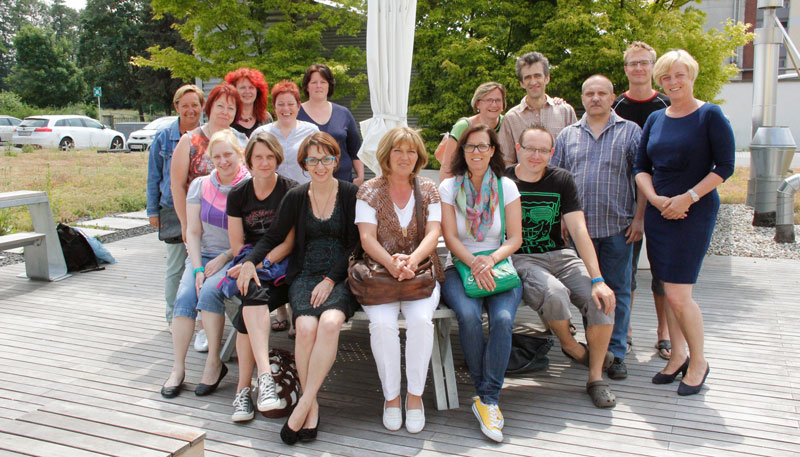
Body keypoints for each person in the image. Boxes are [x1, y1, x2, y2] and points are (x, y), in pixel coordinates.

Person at [237, 132, 359, 444]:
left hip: (339, 277)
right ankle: (312, 404)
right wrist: (250, 261)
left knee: (329, 324)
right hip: (304, 275)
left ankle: (303, 404)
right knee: (304, 328)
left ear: (336, 160)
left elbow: (356, 245)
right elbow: (273, 236)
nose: (320, 166)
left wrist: (331, 280)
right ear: (304, 163)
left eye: (326, 158)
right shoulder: (296, 197)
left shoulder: (350, 194)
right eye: (313, 159)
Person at [634, 50, 734, 396]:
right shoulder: (656, 118)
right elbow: (641, 167)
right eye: (666, 76)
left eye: (679, 75)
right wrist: (656, 199)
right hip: (660, 213)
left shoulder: (710, 115)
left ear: (691, 75)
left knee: (679, 294)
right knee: (666, 288)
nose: (672, 82)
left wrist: (687, 198)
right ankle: (677, 355)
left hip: (693, 213)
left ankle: (699, 361)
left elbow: (725, 167)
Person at [506, 126, 617, 408]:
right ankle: (571, 346)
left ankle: (595, 378)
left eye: (543, 150)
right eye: (530, 148)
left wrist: (598, 279)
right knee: (554, 293)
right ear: (518, 148)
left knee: (601, 299)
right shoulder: (502, 180)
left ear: (552, 153)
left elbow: (578, 229)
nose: (536, 155)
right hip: (522, 257)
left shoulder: (561, 179)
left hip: (561, 254)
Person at [552, 75, 643, 381]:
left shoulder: (630, 131)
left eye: (601, 93)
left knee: (619, 290)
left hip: (619, 226)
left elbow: (641, 178)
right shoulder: (567, 135)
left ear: (612, 97)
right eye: (589, 93)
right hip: (579, 232)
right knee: (587, 292)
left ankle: (616, 352)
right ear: (582, 98)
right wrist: (560, 219)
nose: (595, 98)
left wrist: (640, 218)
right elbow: (557, 180)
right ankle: (595, 349)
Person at [354, 127, 443, 433]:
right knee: (382, 325)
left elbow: (434, 232)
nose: (405, 157)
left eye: (411, 151)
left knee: (420, 322)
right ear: (386, 155)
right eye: (398, 150)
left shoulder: (429, 188)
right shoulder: (369, 191)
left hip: (421, 275)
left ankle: (414, 398)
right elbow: (367, 238)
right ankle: (391, 398)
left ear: (419, 156)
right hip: (380, 275)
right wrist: (392, 264)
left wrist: (412, 261)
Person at [439, 124, 522, 443]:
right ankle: (486, 397)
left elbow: (514, 238)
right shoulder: (449, 187)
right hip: (459, 265)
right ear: (462, 151)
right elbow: (450, 237)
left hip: (499, 264)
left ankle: (487, 399)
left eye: (482, 146)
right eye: (470, 146)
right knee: (469, 316)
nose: (476, 152)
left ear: (492, 150)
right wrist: (474, 262)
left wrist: (490, 259)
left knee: (502, 319)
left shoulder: (506, 186)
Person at [160, 129, 250, 399]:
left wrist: (224, 257)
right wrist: (198, 267)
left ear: (239, 154)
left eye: (228, 155)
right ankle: (178, 368)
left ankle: (214, 362)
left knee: (210, 290)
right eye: (217, 156)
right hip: (203, 255)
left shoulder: (249, 186)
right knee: (185, 295)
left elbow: (249, 235)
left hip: (233, 255)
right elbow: (193, 231)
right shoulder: (200, 185)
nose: (223, 161)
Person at [224, 132, 298, 422]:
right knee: (251, 297)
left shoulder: (290, 191)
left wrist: (261, 263)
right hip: (249, 263)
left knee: (247, 312)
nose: (265, 162)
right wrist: (249, 264)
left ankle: (244, 391)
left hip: (281, 265)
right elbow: (236, 245)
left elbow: (289, 243)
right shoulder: (238, 194)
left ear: (277, 159)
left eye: (270, 157)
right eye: (259, 157)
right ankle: (263, 380)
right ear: (249, 161)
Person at [170, 83, 247, 351]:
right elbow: (177, 184)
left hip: (232, 231)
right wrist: (185, 223)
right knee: (188, 279)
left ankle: (212, 332)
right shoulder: (190, 140)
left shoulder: (242, 140)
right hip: (198, 217)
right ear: (209, 107)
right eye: (220, 106)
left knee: (211, 282)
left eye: (231, 108)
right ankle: (197, 329)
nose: (225, 111)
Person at [612, 41, 672, 360]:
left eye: (644, 62)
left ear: (652, 66)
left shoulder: (667, 104)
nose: (638, 68)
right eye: (633, 63)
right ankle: (627, 330)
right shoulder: (615, 106)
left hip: (664, 202)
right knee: (627, 273)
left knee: (662, 273)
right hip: (627, 205)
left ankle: (664, 334)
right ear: (626, 69)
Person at [146, 84, 204, 331]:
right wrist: (152, 211)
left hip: (203, 209)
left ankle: (201, 316)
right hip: (174, 209)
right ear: (176, 107)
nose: (190, 110)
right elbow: (154, 176)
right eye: (185, 105)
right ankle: (172, 316)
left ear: (202, 106)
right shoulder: (164, 137)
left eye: (195, 105)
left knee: (201, 264)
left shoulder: (207, 135)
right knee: (176, 266)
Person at [498, 51, 577, 165]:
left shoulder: (565, 112)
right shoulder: (511, 118)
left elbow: (575, 154)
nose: (533, 81)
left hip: (561, 176)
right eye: (527, 77)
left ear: (547, 78)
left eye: (537, 76)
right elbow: (507, 161)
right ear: (522, 83)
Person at [298, 63, 365, 185]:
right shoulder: (297, 114)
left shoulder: (343, 113)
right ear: (307, 86)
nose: (319, 86)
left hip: (343, 183)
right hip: (308, 183)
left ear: (329, 85)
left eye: (323, 82)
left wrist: (360, 177)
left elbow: (356, 150)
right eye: (314, 82)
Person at [252, 80, 319, 185]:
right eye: (281, 104)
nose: (286, 108)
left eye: (290, 104)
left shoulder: (311, 131)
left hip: (304, 191)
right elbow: (250, 166)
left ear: (298, 105)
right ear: (274, 106)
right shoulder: (260, 133)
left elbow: (320, 162)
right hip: (271, 191)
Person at [438, 82, 507, 180]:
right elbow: (447, 167)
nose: (494, 105)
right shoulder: (463, 127)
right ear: (478, 103)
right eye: (489, 100)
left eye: (498, 100)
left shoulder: (507, 124)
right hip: (465, 183)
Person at [224, 68, 273, 137]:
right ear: (234, 90)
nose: (247, 91)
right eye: (242, 88)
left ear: (257, 91)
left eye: (251, 87)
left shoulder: (266, 118)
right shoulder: (227, 118)